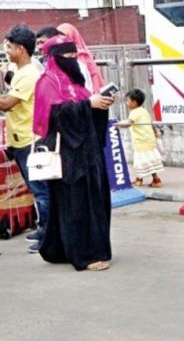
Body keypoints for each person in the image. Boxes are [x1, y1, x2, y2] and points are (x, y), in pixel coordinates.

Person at [33, 35, 114, 271]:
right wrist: (88, 105)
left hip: (87, 153)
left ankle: (68, 249)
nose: (72, 60)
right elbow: (55, 116)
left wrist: (100, 105)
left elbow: (84, 108)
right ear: (55, 58)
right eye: (67, 57)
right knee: (74, 204)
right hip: (68, 155)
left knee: (91, 201)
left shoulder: (75, 83)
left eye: (74, 56)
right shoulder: (48, 82)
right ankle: (83, 255)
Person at [0, 26, 46, 253]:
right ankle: (44, 227)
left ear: (20, 49)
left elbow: (7, 103)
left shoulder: (28, 74)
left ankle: (48, 235)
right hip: (20, 139)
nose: (5, 51)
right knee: (34, 187)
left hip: (30, 140)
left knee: (40, 190)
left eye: (8, 46)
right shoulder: (20, 71)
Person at [115, 89, 164, 188]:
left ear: (134, 102)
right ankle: (154, 179)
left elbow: (128, 123)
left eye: (127, 101)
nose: (126, 103)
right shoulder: (144, 111)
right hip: (149, 141)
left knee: (140, 162)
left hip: (141, 143)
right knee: (149, 162)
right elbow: (151, 123)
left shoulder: (134, 112)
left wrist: (117, 124)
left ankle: (141, 179)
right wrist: (156, 133)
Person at [56, 23, 104, 93]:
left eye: (64, 36)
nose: (62, 39)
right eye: (58, 36)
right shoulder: (57, 55)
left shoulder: (82, 57)